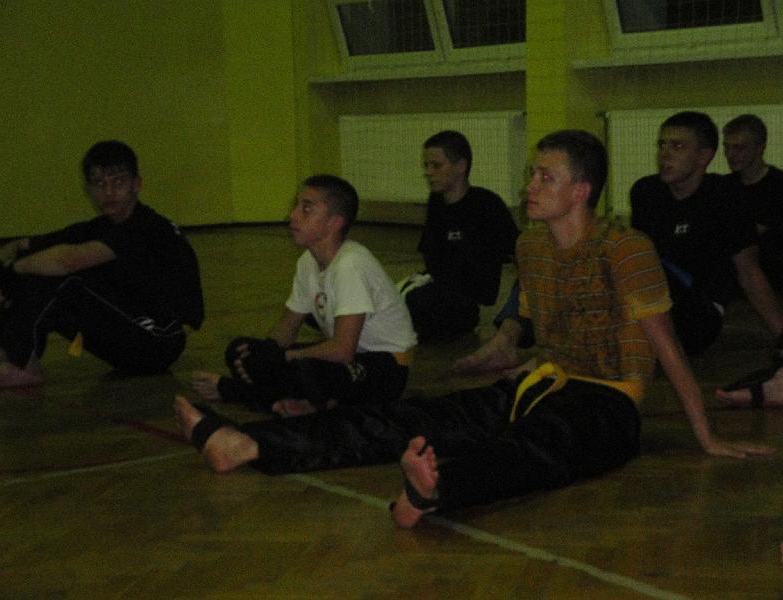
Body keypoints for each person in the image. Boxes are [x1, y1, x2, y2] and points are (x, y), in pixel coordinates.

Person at [174, 130, 772, 530]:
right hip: (541, 380)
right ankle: (250, 444)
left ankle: (433, 490)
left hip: (608, 402)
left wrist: (706, 437)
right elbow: (523, 326)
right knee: (414, 416)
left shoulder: (625, 248)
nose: (529, 186)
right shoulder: (532, 246)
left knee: (538, 448)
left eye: (544, 178)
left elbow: (667, 348)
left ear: (581, 191)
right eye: (532, 175)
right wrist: (500, 360)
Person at [190, 174, 417, 417]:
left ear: (333, 223)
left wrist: (284, 357)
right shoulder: (307, 262)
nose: (293, 215)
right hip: (347, 360)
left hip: (384, 367)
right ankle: (304, 403)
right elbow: (287, 327)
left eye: (306, 209)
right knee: (240, 351)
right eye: (296, 206)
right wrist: (265, 352)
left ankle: (236, 391)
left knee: (307, 372)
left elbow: (342, 350)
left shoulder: (351, 264)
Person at [0, 140, 204, 388]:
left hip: (159, 340)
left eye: (118, 182)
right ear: (88, 189)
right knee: (32, 266)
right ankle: (2, 354)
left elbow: (68, 261)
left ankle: (24, 365)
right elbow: (19, 246)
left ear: (136, 184)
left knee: (61, 277)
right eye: (99, 183)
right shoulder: (100, 227)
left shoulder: (146, 227)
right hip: (130, 331)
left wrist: (8, 271)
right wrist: (0, 273)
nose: (108, 192)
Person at [630, 111, 783, 355]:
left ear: (704, 156)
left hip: (698, 312)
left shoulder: (725, 196)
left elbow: (749, 271)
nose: (664, 154)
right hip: (654, 305)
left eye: (677, 146)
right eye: (662, 145)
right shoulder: (646, 192)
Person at [398, 130, 518, 341]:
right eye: (426, 165)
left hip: (465, 299)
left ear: (461, 166)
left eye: (436, 165)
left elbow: (517, 250)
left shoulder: (486, 205)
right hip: (438, 286)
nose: (428, 172)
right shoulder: (436, 202)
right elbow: (431, 254)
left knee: (418, 303)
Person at [723, 114, 783, 291]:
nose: (730, 155)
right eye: (727, 147)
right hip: (736, 285)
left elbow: (747, 234)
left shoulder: (777, 186)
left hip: (774, 283)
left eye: (739, 148)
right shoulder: (724, 187)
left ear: (759, 148)